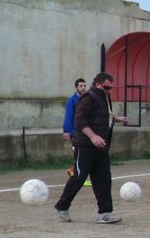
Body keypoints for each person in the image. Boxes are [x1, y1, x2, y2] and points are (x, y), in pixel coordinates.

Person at [53, 72, 130, 224]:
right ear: (97, 85)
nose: (109, 90)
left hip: (101, 146)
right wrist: (93, 136)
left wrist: (116, 119)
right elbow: (80, 121)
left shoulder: (104, 97)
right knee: (79, 177)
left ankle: (105, 213)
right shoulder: (88, 98)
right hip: (85, 145)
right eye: (106, 87)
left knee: (103, 178)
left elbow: (101, 116)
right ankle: (62, 206)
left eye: (111, 88)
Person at [62, 78, 90, 185]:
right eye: (81, 86)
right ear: (76, 87)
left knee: (82, 155)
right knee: (77, 154)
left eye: (84, 86)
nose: (83, 88)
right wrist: (66, 131)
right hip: (75, 132)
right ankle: (79, 176)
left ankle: (73, 172)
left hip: (85, 132)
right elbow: (68, 116)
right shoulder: (72, 100)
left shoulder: (87, 100)